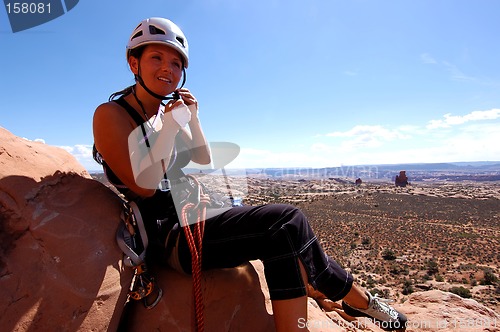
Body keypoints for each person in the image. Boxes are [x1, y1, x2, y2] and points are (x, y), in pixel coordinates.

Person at [93, 17, 408, 332]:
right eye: (156, 58)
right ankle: (357, 298)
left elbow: (201, 156)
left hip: (196, 215)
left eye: (176, 63)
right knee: (288, 220)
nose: (168, 69)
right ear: (134, 63)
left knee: (281, 239)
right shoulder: (111, 115)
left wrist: (193, 119)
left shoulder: (164, 115)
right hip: (170, 236)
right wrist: (172, 125)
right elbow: (144, 186)